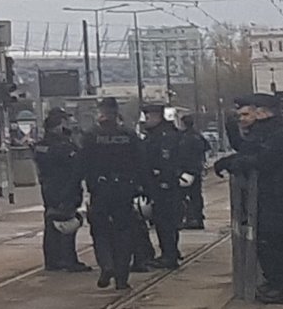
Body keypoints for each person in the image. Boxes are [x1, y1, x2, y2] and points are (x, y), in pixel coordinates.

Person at [217, 94, 283, 303]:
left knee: (278, 241)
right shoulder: (268, 132)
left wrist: (237, 163)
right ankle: (279, 283)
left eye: (253, 111)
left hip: (280, 196)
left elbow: (265, 159)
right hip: (273, 195)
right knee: (271, 241)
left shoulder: (279, 134)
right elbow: (250, 151)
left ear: (263, 111)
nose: (247, 117)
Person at [81, 100, 149, 293]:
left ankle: (106, 265)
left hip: (100, 190)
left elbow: (81, 165)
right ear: (116, 113)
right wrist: (145, 189)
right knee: (124, 233)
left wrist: (78, 190)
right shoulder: (129, 135)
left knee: (100, 232)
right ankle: (121, 278)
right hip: (124, 191)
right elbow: (141, 163)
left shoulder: (91, 136)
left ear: (101, 113)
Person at [36, 112, 91, 272]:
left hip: (48, 188)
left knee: (51, 222)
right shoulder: (64, 146)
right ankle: (69, 260)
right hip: (65, 188)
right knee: (68, 223)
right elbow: (77, 163)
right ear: (59, 125)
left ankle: (52, 260)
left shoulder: (41, 145)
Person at [138, 105, 188, 272]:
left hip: (165, 186)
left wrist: (161, 180)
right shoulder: (156, 135)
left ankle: (169, 255)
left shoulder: (164, 136)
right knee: (163, 221)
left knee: (165, 221)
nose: (146, 120)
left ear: (157, 116)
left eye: (149, 116)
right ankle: (169, 252)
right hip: (158, 186)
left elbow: (165, 161)